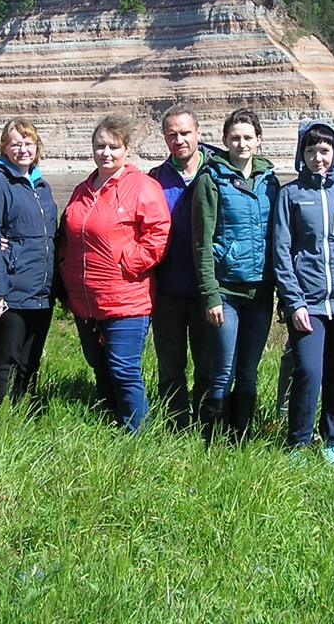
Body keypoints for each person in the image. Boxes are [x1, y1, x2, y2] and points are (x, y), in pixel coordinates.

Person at [58, 113, 170, 431]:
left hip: (126, 299)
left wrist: (127, 265)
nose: (106, 153)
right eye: (99, 146)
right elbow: (68, 233)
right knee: (100, 366)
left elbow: (158, 234)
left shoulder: (143, 187)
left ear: (126, 149)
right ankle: (111, 425)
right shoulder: (82, 189)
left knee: (123, 368)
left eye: (113, 146)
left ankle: (138, 434)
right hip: (85, 300)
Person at [273, 120, 334, 463]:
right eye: (310, 150)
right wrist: (292, 301)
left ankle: (332, 439)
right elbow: (282, 251)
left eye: (324, 150)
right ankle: (297, 441)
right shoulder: (290, 195)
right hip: (306, 302)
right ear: (302, 154)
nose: (318, 158)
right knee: (308, 370)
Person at [193, 107, 279, 443]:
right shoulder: (211, 180)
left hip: (260, 292)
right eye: (235, 138)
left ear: (259, 141)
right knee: (223, 370)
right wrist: (210, 294)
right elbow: (201, 243)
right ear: (225, 141)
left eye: (247, 137)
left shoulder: (271, 182)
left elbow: (279, 238)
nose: (241, 143)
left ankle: (239, 439)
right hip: (225, 292)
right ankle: (212, 439)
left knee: (248, 372)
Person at [0, 117, 58, 408]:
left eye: (28, 143)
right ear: (4, 148)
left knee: (30, 360)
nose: (22, 149)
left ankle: (24, 412)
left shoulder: (42, 186)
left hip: (42, 290)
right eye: (15, 144)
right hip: (10, 289)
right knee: (6, 361)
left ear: (37, 147)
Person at [148, 103, 211, 429]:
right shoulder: (155, 180)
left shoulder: (216, 175)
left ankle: (203, 424)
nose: (179, 140)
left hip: (207, 291)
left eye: (185, 133)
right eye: (172, 134)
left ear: (198, 134)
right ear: (164, 138)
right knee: (170, 364)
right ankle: (174, 424)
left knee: (206, 364)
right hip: (168, 291)